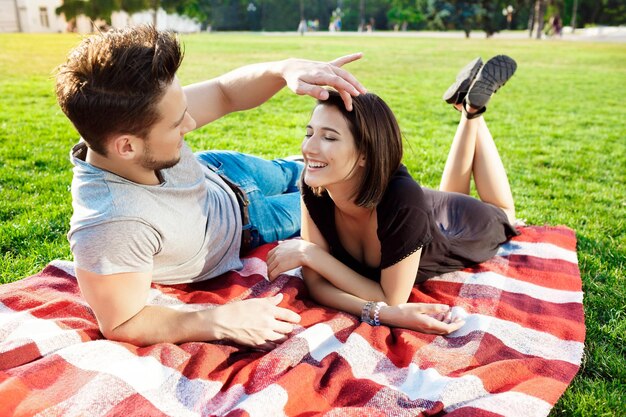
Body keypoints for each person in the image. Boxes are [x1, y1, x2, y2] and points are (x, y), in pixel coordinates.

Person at [55, 25, 366, 349]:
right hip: (251, 225)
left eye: (184, 112)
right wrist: (220, 321)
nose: (190, 124)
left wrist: (284, 69)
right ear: (127, 147)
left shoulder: (123, 120)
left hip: (225, 170)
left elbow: (223, 92)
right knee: (347, 197)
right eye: (177, 124)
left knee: (330, 170)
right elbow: (122, 322)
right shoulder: (110, 227)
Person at [267, 55, 520, 335]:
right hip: (423, 209)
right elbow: (317, 285)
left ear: (365, 153)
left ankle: (472, 111)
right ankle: (468, 107)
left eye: (329, 137)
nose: (309, 148)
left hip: (460, 226)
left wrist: (310, 254)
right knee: (449, 194)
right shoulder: (314, 185)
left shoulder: (402, 202)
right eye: (309, 133)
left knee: (504, 212)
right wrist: (376, 310)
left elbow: (391, 297)